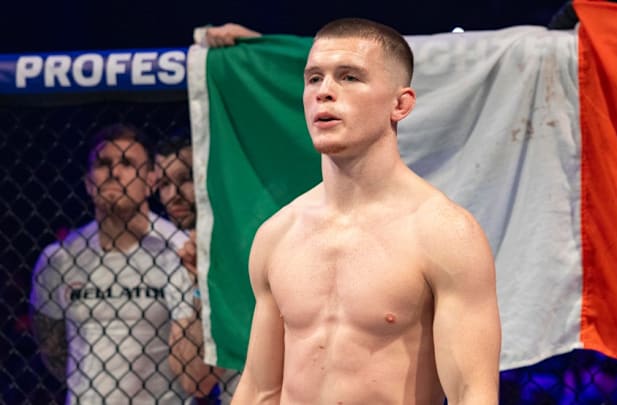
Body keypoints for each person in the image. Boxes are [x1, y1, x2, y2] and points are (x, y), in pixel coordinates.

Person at [231, 18, 501, 405]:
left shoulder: (444, 233)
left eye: (349, 77)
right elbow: (260, 390)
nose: (324, 92)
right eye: (314, 78)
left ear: (400, 104)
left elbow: (472, 394)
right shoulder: (278, 234)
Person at [30, 123, 215, 404]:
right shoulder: (59, 259)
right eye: (103, 164)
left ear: (151, 181)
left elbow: (196, 367)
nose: (114, 173)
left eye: (127, 163)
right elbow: (52, 349)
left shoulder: (179, 251)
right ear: (88, 182)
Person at [154, 131, 243, 404]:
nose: (173, 195)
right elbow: (195, 379)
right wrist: (202, 286)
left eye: (185, 179)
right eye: (164, 184)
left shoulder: (254, 235)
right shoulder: (181, 260)